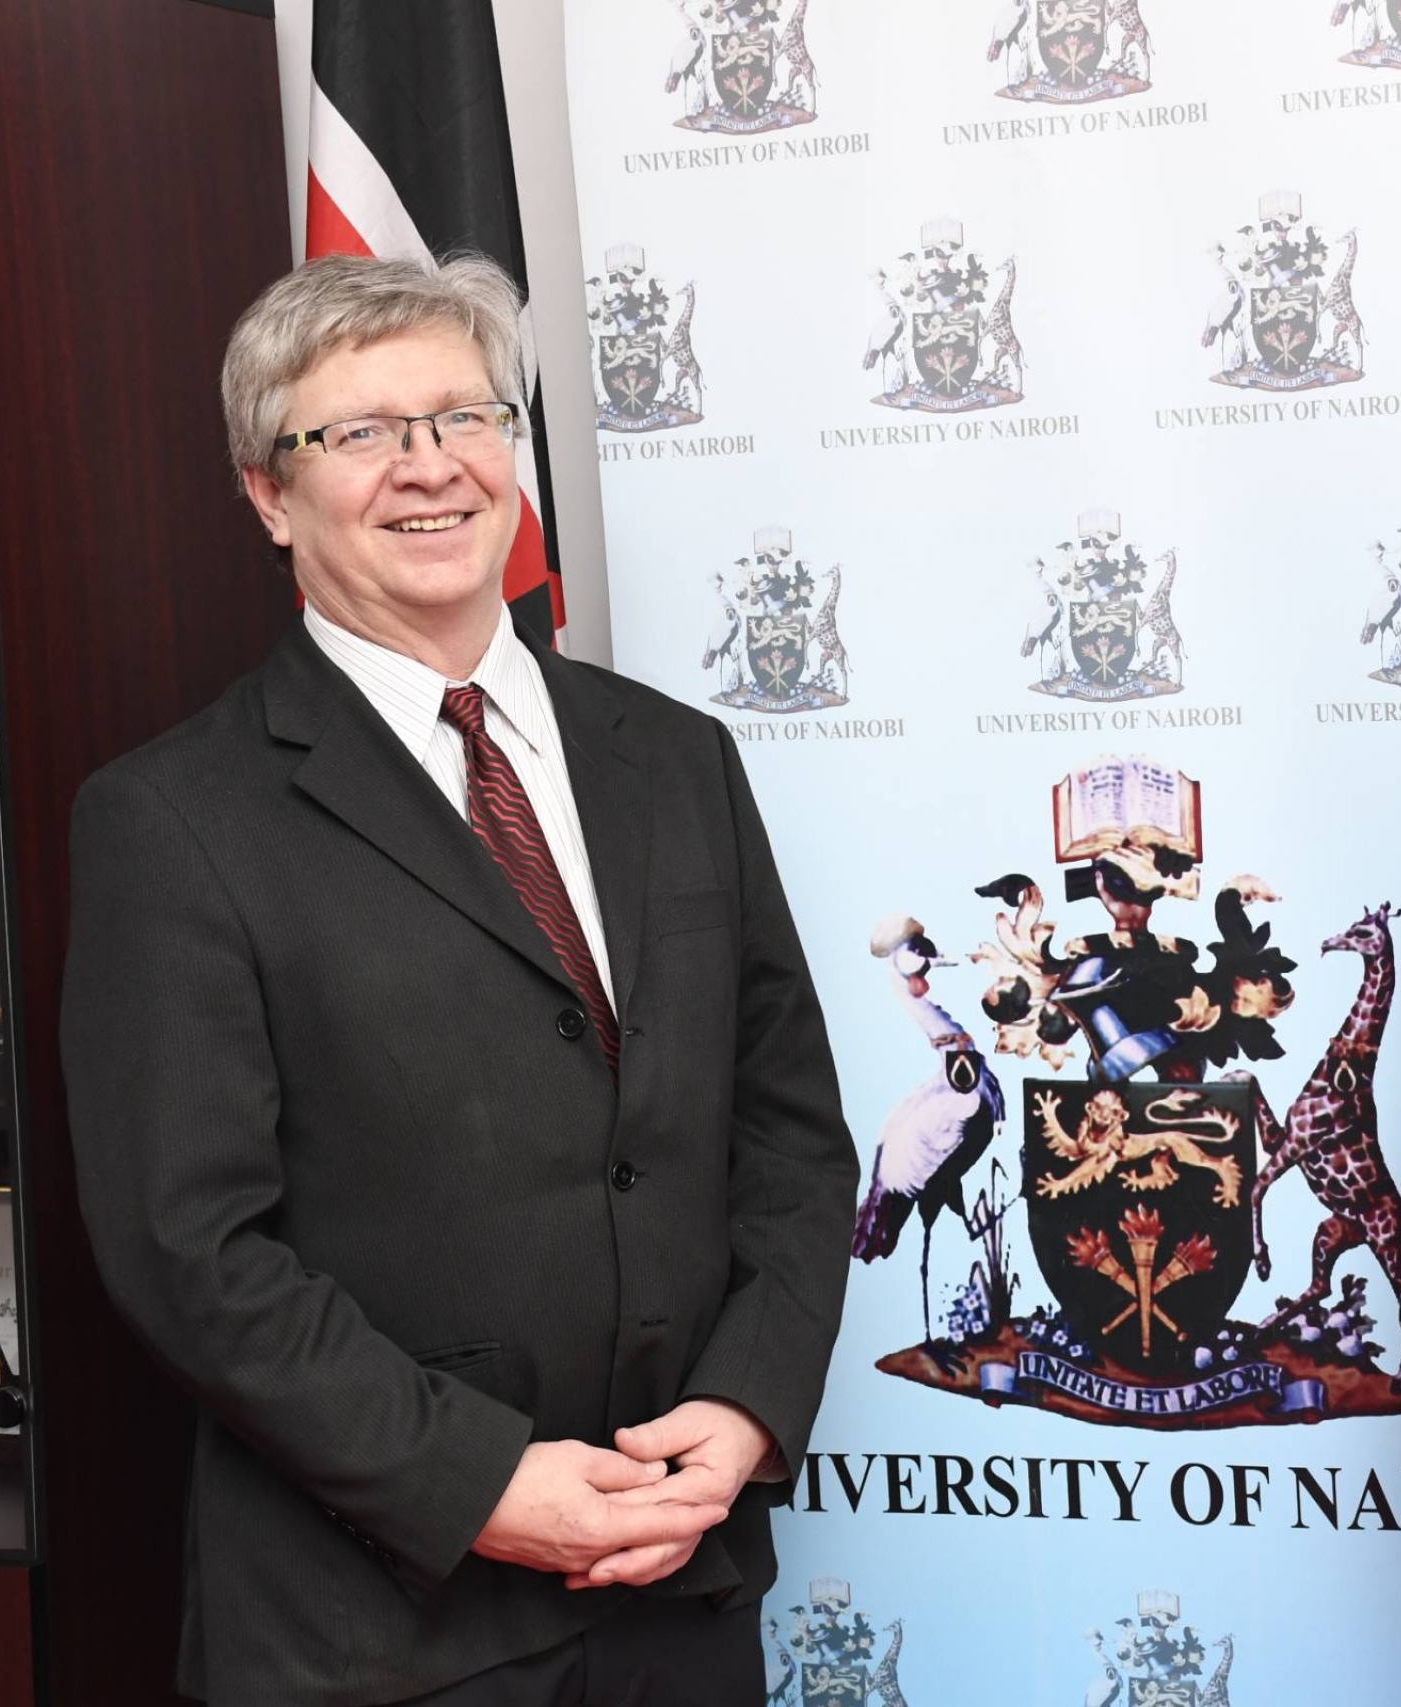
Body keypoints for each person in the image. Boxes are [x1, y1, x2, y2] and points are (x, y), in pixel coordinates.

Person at [61, 253, 858, 1707]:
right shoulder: (169, 819)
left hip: (683, 1592)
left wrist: (746, 1409)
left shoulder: (677, 760)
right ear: (266, 492)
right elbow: (191, 1252)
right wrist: (479, 1481)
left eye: (463, 419)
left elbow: (790, 1137)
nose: (428, 469)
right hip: (379, 1632)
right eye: (358, 433)